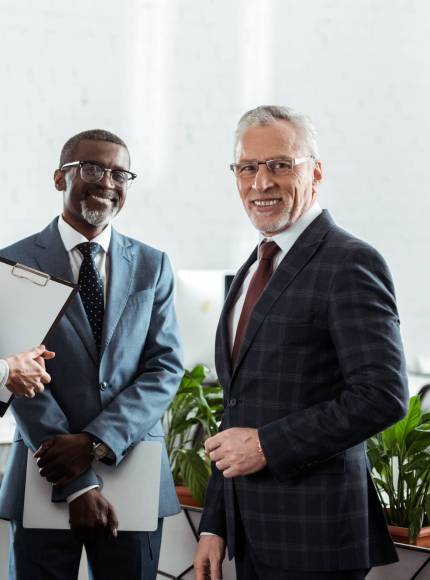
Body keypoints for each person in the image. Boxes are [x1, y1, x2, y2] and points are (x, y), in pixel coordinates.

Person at [194, 105, 408, 580]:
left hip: (317, 540)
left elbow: (383, 396)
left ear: (316, 171)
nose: (261, 182)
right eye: (247, 167)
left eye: (280, 164)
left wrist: (268, 446)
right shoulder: (252, 267)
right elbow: (239, 408)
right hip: (251, 535)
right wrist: (214, 525)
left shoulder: (350, 262)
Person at [0, 129, 183, 580]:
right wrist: (78, 480)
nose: (107, 181)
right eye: (92, 168)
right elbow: (20, 374)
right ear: (59, 178)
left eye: (120, 173)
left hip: (133, 468)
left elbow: (164, 368)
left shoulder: (152, 264)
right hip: (45, 471)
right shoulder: (14, 262)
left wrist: (96, 442)